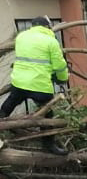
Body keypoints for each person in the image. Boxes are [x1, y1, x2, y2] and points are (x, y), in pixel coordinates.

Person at [1, 17, 70, 154]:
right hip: (39, 86)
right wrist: (62, 79)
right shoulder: (51, 41)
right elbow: (59, 66)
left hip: (19, 83)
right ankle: (49, 145)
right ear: (47, 27)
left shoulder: (21, 37)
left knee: (9, 104)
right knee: (47, 114)